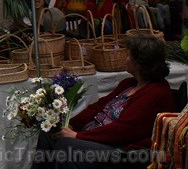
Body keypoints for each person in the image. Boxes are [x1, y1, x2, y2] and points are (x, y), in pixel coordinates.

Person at [33, 35, 176, 169]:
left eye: (128, 56)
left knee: (66, 145)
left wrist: (77, 135)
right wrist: (71, 123)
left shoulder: (156, 93)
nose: (125, 59)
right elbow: (99, 105)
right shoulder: (130, 83)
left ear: (139, 64)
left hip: (120, 149)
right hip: (95, 136)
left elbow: (123, 131)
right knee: (49, 131)